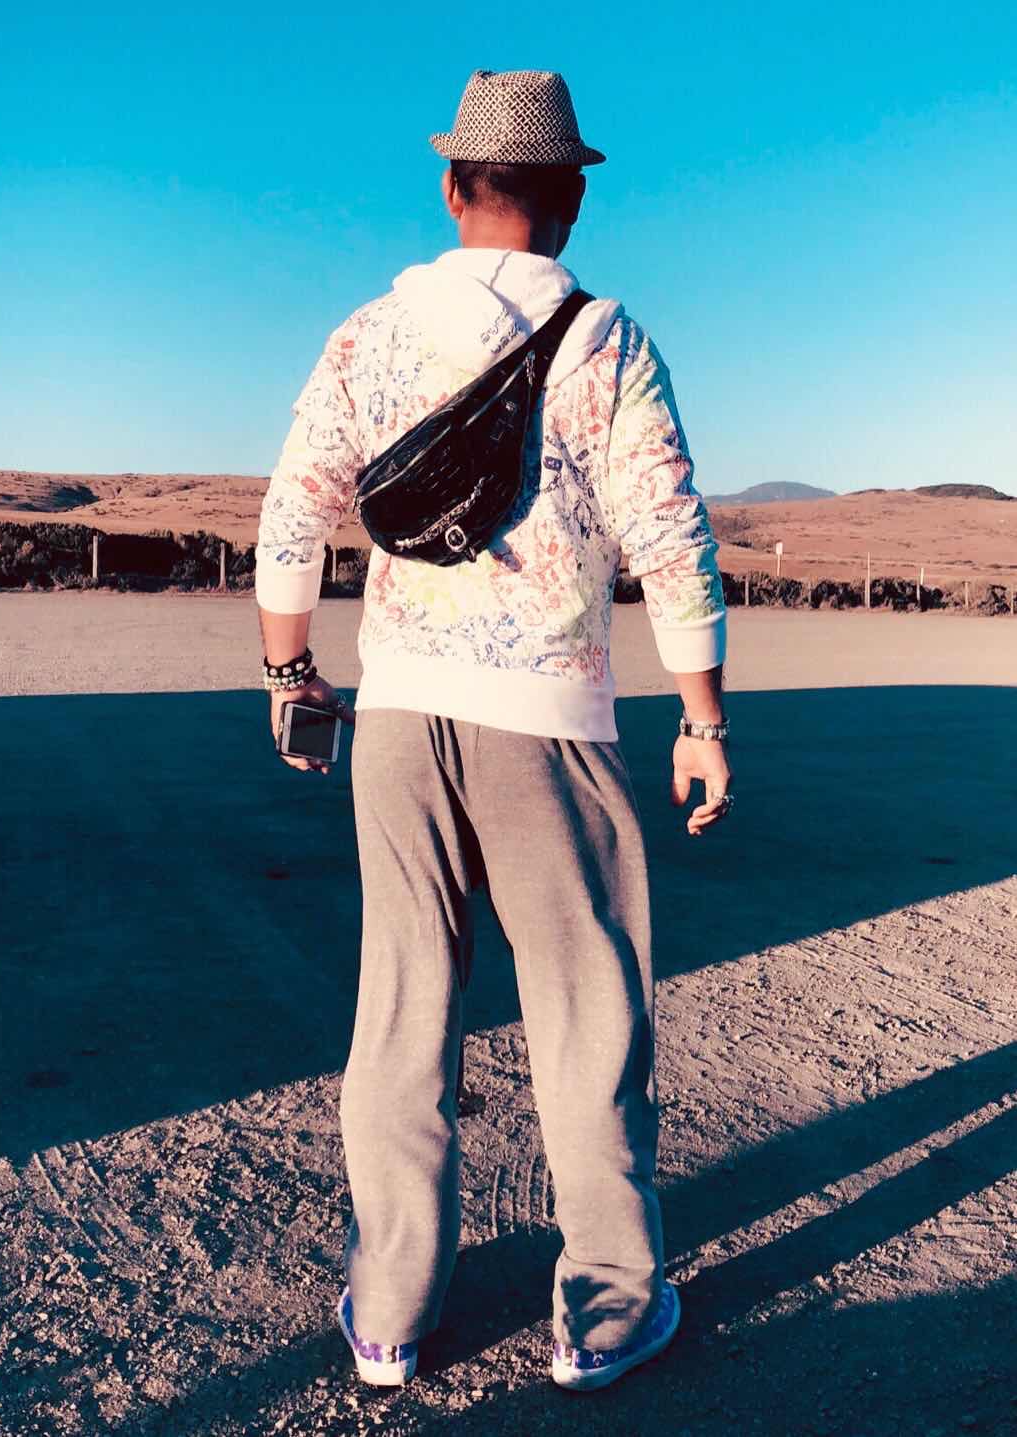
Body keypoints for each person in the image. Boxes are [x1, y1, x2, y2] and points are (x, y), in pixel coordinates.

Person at [254, 68, 732, 1393]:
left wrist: (291, 671)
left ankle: (390, 1313)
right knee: (587, 1014)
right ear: (571, 200)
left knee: (402, 1006)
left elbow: (292, 514)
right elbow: (673, 539)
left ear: (453, 185)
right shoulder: (608, 342)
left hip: (402, 717)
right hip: (552, 726)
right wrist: (700, 718)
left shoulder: (368, 334)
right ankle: (608, 1309)